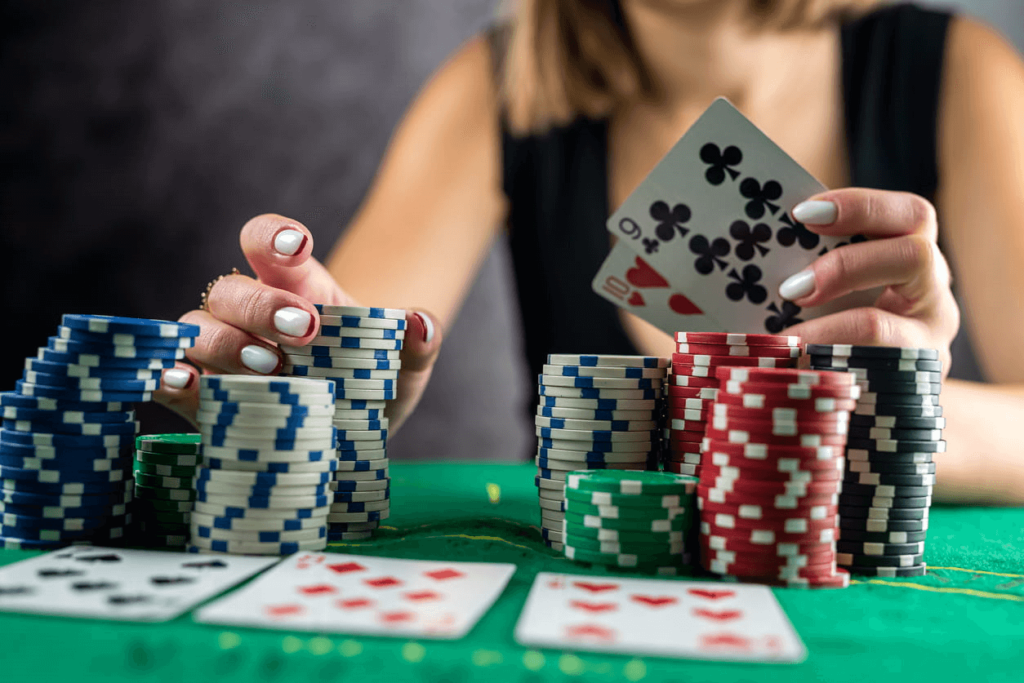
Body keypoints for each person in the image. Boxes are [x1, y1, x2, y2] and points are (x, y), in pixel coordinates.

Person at [154, 0, 1024, 506]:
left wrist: (901, 422)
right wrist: (306, 390)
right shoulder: (492, 92)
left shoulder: (957, 73)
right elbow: (342, 368)